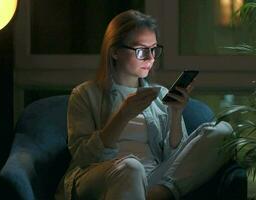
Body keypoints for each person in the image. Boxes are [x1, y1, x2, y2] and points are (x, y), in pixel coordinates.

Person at [55, 9, 233, 200]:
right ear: (115, 51)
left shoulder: (159, 95)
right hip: (100, 177)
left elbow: (176, 160)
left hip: (152, 179)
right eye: (141, 50)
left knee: (223, 131)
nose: (151, 58)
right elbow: (83, 158)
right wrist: (123, 115)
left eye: (154, 49)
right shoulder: (85, 94)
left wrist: (175, 114)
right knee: (131, 167)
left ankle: (161, 193)